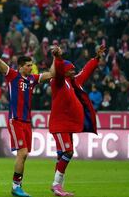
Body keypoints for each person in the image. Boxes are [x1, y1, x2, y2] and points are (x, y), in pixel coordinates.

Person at [0, 47, 56, 197]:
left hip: (27, 122)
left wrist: (55, 58)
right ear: (20, 67)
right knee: (23, 152)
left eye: (31, 65)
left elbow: (52, 74)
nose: (31, 67)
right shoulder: (13, 76)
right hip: (16, 120)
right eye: (28, 65)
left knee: (24, 155)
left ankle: (18, 186)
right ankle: (15, 187)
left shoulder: (32, 79)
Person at [48, 45, 105, 196]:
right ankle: (56, 185)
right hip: (59, 125)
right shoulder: (58, 82)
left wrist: (96, 58)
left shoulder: (74, 82)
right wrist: (58, 58)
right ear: (64, 71)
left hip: (68, 125)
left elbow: (86, 71)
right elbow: (58, 70)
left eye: (74, 69)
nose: (74, 71)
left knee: (62, 155)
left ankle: (58, 187)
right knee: (68, 152)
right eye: (71, 69)